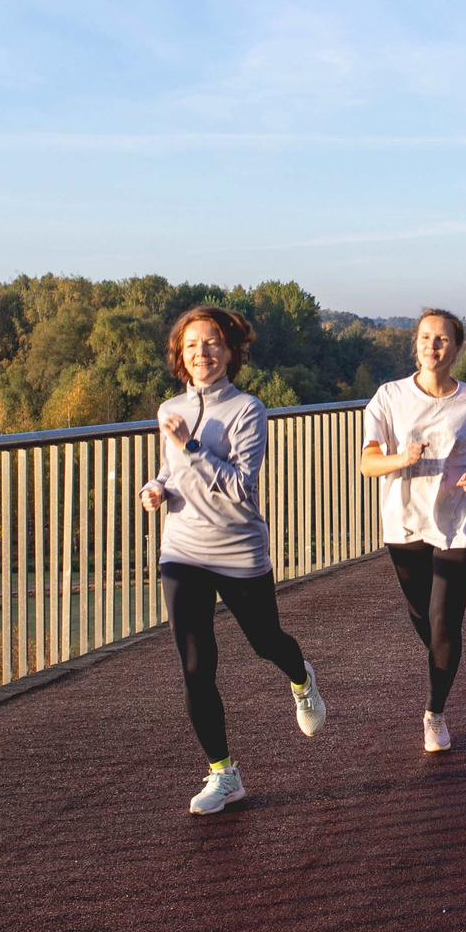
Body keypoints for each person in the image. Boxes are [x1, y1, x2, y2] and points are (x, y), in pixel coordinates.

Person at [140, 304, 326, 815]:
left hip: (238, 549)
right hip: (182, 549)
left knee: (266, 642)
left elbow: (243, 488)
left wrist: (191, 447)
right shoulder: (170, 407)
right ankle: (224, 774)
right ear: (181, 353)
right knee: (196, 666)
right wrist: (157, 486)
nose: (203, 352)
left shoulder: (248, 409)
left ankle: (301, 677)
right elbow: (176, 470)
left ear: (231, 352)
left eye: (214, 342)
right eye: (193, 343)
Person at [360, 309, 466, 753]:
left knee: (445, 620)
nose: (432, 345)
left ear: (457, 348)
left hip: (460, 523)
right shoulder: (389, 396)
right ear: (416, 345)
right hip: (405, 521)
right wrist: (401, 459)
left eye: (442, 339)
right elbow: (368, 463)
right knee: (422, 617)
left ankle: (435, 713)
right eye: (425, 337)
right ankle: (444, 657)